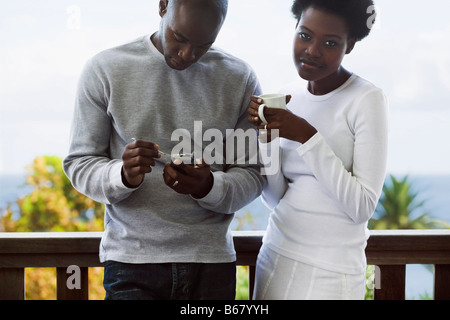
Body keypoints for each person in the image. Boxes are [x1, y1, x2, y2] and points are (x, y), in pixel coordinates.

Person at [63, 0, 265, 300]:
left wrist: (210, 186)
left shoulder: (240, 77)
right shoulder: (105, 68)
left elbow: (254, 174)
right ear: (162, 6)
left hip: (211, 265)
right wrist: (122, 175)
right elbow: (79, 164)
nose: (187, 55)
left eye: (204, 45)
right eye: (179, 38)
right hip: (132, 263)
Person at [248, 0, 388, 300]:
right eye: (305, 35)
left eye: (330, 42)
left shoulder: (366, 99)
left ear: (349, 46)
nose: (312, 50)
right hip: (275, 255)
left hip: (332, 271)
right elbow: (275, 198)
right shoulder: (289, 96)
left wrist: (306, 135)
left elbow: (362, 207)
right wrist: (267, 139)